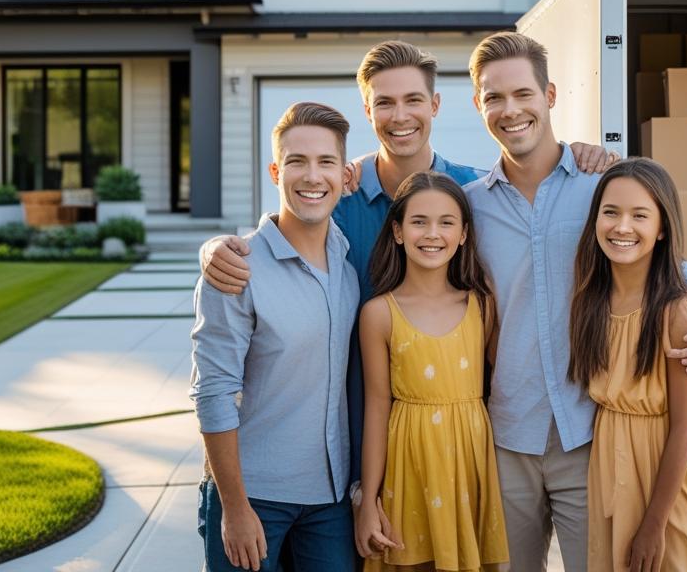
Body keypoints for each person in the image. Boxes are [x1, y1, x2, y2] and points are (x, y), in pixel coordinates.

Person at [199, 40, 619, 516]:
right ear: (367, 110)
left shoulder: (474, 195)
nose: (400, 117)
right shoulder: (341, 196)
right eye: (385, 102)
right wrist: (219, 248)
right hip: (354, 441)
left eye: (414, 100)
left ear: (436, 105)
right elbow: (289, 220)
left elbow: (633, 247)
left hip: (458, 438)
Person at [463, 31, 687, 572]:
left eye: (522, 93)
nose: (509, 109)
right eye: (493, 97)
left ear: (549, 95)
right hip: (507, 436)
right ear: (478, 104)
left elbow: (665, 261)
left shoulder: (600, 188)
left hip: (590, 436)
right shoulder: (470, 206)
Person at [190, 102, 363, 572]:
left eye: (326, 162)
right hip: (254, 497)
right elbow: (213, 391)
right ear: (274, 171)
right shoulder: (237, 267)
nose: (312, 176)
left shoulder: (347, 265)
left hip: (330, 501)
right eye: (296, 162)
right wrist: (234, 507)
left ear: (345, 175)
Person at [568, 158, 687, 572]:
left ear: (662, 229)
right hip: (610, 469)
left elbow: (683, 425)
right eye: (611, 213)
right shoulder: (591, 300)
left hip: (666, 478)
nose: (622, 227)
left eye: (640, 215)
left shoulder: (676, 311)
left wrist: (654, 524)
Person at [354, 171, 509, 572]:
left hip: (469, 464)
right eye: (419, 221)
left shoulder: (481, 303)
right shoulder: (378, 314)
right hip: (409, 466)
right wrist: (368, 500)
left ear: (463, 234)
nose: (432, 234)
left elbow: (498, 384)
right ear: (398, 231)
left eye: (446, 222)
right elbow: (376, 408)